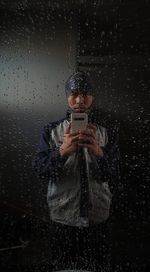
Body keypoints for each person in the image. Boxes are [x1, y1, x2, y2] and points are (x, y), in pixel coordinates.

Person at [32, 71, 120, 271]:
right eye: (74, 93)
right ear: (67, 97)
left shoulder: (107, 133)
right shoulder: (50, 131)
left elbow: (115, 174)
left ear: (92, 97)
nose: (80, 99)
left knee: (98, 268)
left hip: (98, 220)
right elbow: (40, 171)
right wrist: (62, 151)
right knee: (62, 267)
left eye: (85, 93)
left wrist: (99, 153)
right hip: (62, 220)